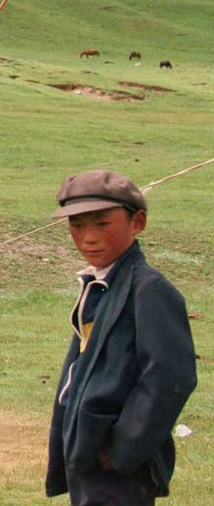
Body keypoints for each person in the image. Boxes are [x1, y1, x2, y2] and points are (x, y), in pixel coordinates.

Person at [46, 170, 197, 505]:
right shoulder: (100, 286)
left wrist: (122, 449)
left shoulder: (149, 289)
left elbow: (171, 377)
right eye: (77, 225)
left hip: (118, 463)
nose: (89, 238)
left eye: (102, 224)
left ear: (138, 222)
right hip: (87, 447)